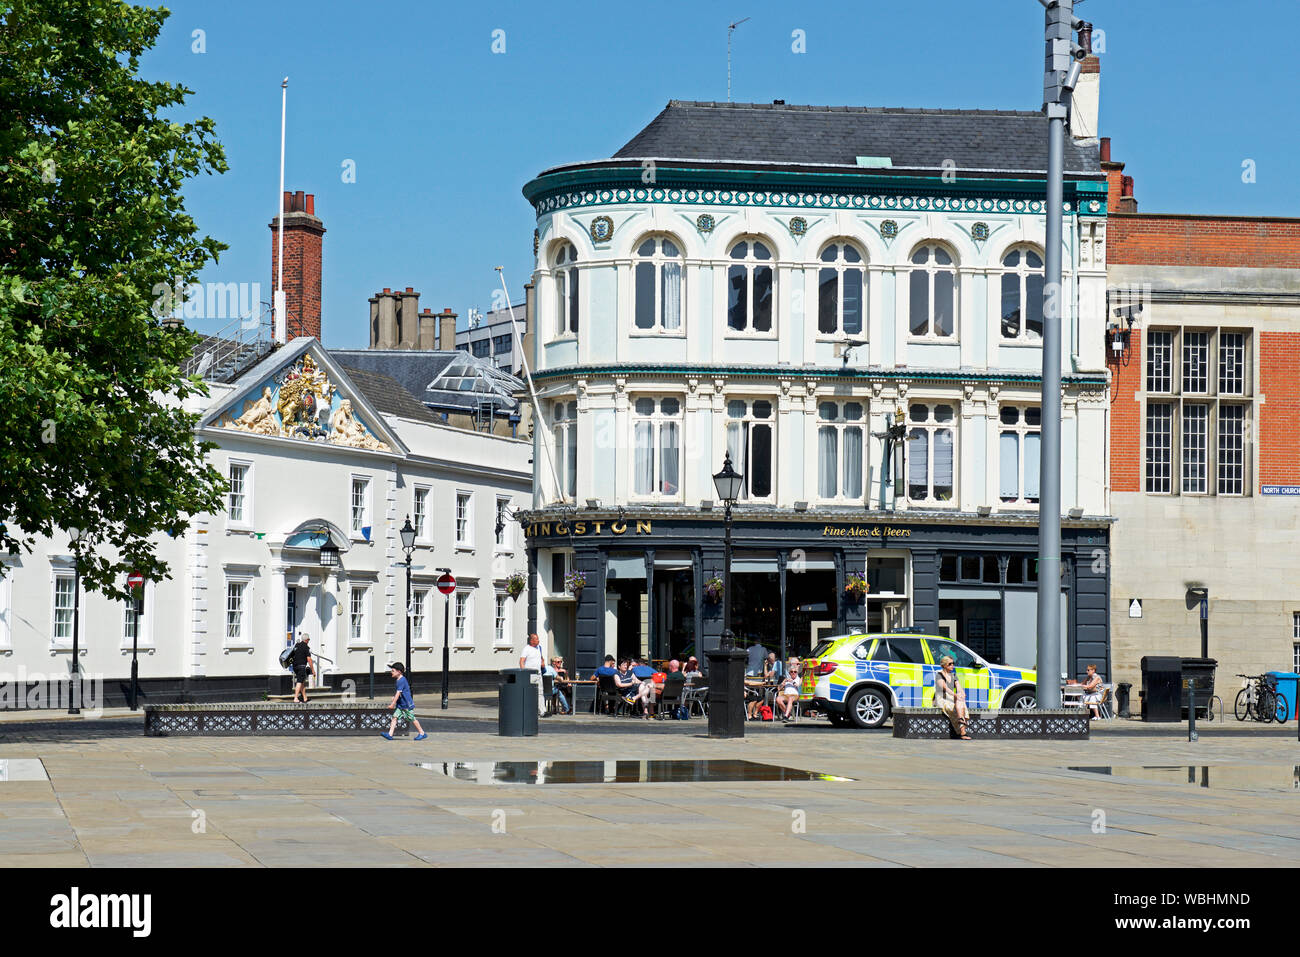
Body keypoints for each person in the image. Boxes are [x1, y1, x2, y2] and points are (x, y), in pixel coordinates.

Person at [380, 662, 427, 740]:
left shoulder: (401, 680)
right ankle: (390, 734)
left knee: (412, 718)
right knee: (395, 717)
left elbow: (398, 693)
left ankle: (422, 733)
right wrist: (395, 698)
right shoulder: (399, 680)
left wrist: (392, 703)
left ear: (399, 672)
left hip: (406, 705)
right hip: (401, 704)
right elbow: (399, 693)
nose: (391, 672)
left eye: (393, 671)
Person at [934, 655, 971, 740]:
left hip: (952, 698)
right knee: (959, 704)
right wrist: (956, 695)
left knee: (961, 701)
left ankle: (961, 725)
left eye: (953, 663)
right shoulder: (939, 675)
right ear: (944, 665)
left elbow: (958, 687)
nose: (952, 666)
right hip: (942, 698)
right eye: (950, 664)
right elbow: (945, 688)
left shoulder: (954, 675)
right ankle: (962, 731)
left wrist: (961, 693)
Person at [520, 632, 547, 717]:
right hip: (529, 673)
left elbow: (541, 658)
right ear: (531, 640)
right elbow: (521, 661)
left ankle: (542, 711)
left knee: (540, 692)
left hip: (538, 673)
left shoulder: (539, 648)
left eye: (538, 639)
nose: (538, 640)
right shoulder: (526, 649)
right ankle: (528, 710)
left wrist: (543, 663)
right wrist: (523, 673)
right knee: (529, 692)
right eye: (536, 639)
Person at [289, 631, 314, 703]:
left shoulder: (297, 645)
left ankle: (305, 698)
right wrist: (313, 670)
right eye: (308, 640)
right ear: (307, 640)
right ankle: (296, 698)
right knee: (299, 681)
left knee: (302, 681)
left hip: (295, 666)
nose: (309, 641)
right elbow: (309, 659)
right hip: (301, 667)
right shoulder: (306, 647)